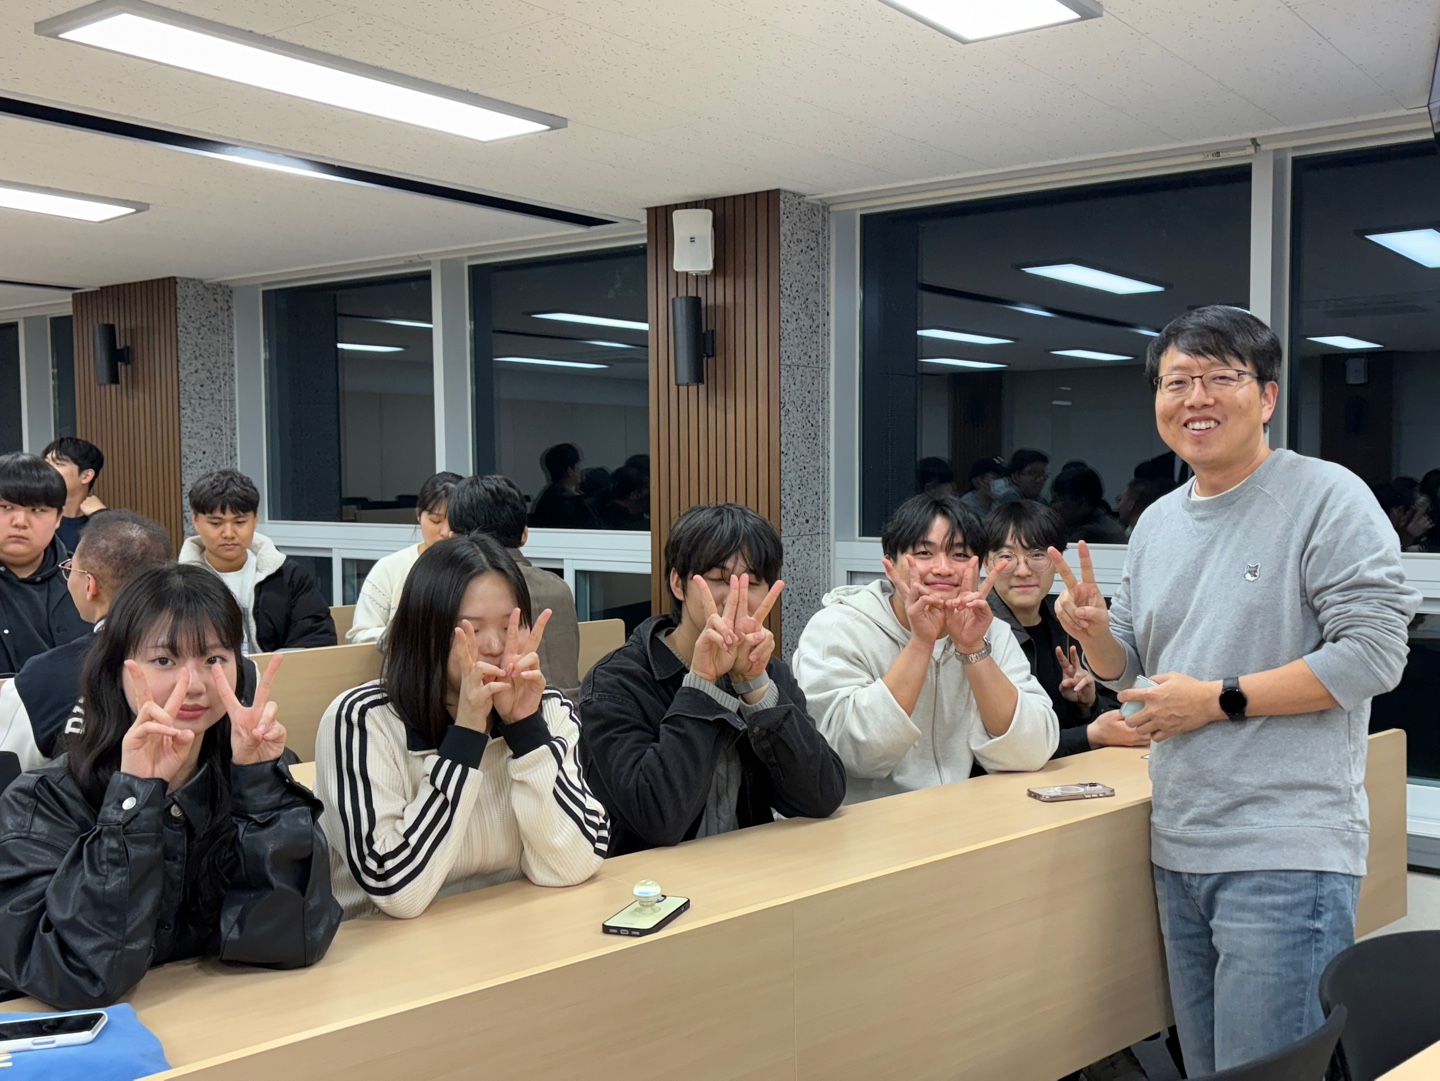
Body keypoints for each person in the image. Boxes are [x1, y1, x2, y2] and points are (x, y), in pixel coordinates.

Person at [1050, 306, 1420, 1074]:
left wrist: (1218, 699)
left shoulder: (1327, 497)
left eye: (1221, 377)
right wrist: (1097, 638)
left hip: (1286, 851)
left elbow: (1374, 654)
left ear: (1268, 395)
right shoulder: (1156, 523)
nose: (1196, 398)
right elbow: (1137, 674)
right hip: (1179, 843)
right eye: (1177, 381)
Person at [0, 564, 342, 1010]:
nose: (194, 685)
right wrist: (134, 797)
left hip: (223, 1018)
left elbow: (291, 939)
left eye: (214, 659)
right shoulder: (42, 802)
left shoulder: (250, 775)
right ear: (117, 670)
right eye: (165, 660)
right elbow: (77, 976)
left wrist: (260, 784)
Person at [315, 533, 607, 919]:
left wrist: (525, 729)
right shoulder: (362, 720)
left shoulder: (547, 710)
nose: (494, 646)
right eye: (471, 629)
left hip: (511, 928)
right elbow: (397, 892)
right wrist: (467, 734)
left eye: (509, 625)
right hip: (384, 942)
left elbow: (573, 865)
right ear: (425, 631)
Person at [579, 503, 845, 855]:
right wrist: (703, 682)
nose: (737, 595)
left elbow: (822, 796)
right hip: (646, 882)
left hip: (750, 868)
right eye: (719, 579)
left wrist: (754, 685)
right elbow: (658, 820)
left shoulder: (769, 671)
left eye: (753, 582)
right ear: (678, 584)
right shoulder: (615, 684)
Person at [792, 494, 1056, 803]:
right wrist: (921, 643)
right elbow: (853, 755)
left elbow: (1032, 751)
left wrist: (972, 648)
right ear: (890, 564)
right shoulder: (838, 628)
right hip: (858, 820)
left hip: (955, 815)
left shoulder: (991, 632)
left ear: (979, 567)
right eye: (924, 553)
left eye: (959, 555)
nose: (943, 568)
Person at [0, 511, 175, 770]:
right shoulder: (214, 662)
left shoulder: (40, 681)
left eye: (71, 569)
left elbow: (12, 773)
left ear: (90, 585)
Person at [982, 501, 1135, 758]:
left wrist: (1087, 704)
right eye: (1007, 557)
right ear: (987, 564)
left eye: (1037, 555)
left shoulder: (1068, 624)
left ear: (1057, 561)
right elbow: (992, 747)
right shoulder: (976, 637)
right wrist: (1088, 735)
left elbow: (1113, 714)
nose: (1023, 571)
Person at [445, 474, 582, 699]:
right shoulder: (558, 586)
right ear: (525, 534)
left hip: (503, 712)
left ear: (453, 538)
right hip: (571, 710)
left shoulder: (458, 589)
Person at [180, 469, 336, 653]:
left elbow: (317, 639)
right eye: (216, 523)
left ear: (255, 520)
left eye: (239, 522)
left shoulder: (290, 577)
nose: (228, 533)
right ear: (196, 521)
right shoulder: (178, 585)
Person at [0, 452, 90, 676]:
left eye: (37, 510)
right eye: (6, 507)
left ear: (59, 518)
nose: (20, 522)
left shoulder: (87, 581)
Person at [347, 471, 461, 646]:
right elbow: (359, 636)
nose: (446, 532)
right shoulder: (390, 568)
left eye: (454, 522)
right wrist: (406, 631)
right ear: (419, 515)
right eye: (435, 520)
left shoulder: (477, 569)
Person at [43, 436, 107, 554]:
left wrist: (102, 515)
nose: (46, 469)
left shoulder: (101, 523)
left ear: (86, 476)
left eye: (58, 463)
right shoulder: (33, 515)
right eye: (46, 462)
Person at [1050, 466, 1129, 545]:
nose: (1054, 506)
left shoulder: (1089, 534)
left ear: (1081, 501)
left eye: (1058, 499)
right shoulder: (1109, 524)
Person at [529, 443, 597, 529]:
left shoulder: (546, 498)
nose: (581, 469)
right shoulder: (571, 505)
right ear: (570, 470)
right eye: (578, 465)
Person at [600, 465, 650, 530]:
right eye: (645, 488)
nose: (647, 492)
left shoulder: (601, 513)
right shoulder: (636, 523)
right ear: (633, 495)